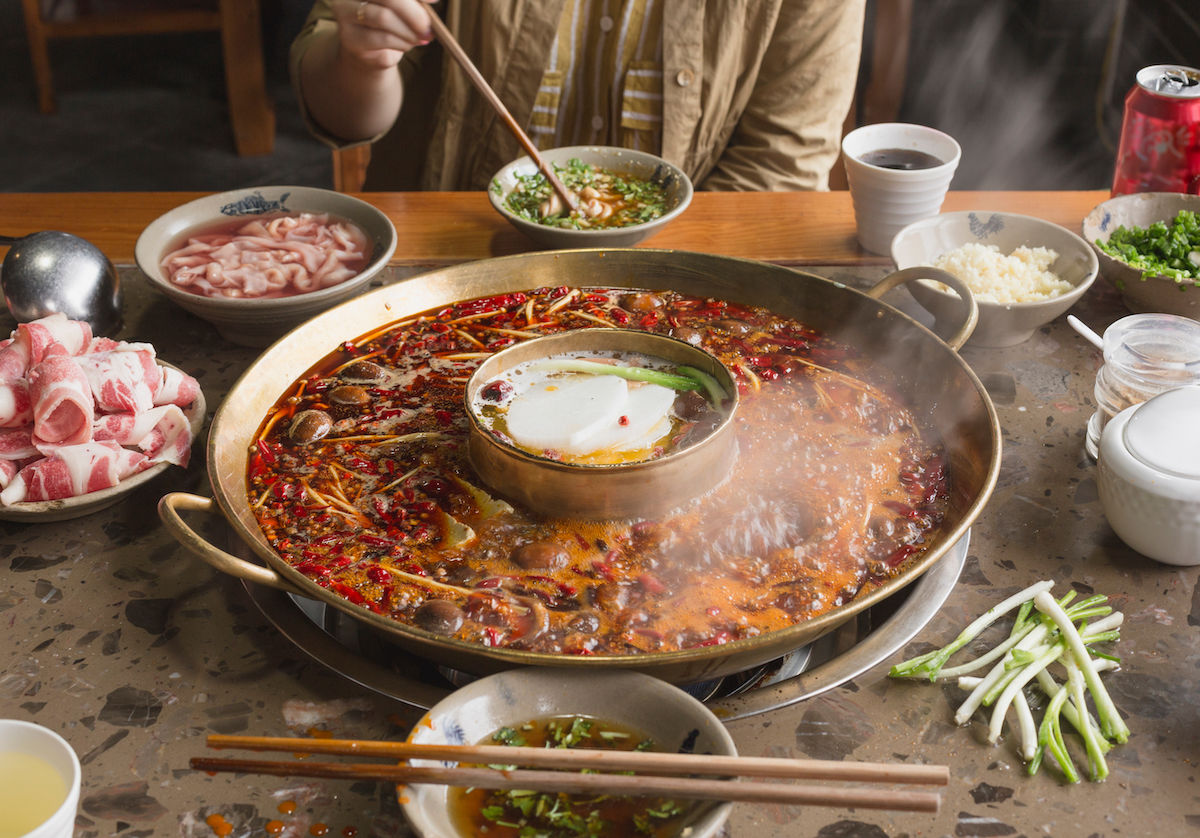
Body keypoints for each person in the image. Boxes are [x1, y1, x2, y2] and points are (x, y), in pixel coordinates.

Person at [291, 0, 866, 192]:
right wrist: (362, 58)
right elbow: (340, 115)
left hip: (678, 281)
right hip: (449, 260)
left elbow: (780, 166)